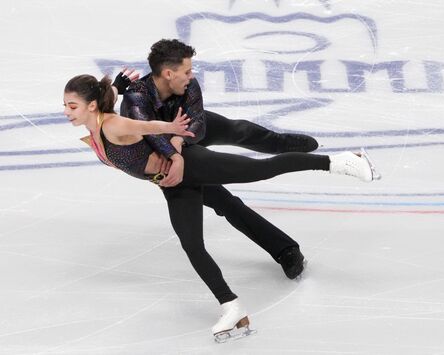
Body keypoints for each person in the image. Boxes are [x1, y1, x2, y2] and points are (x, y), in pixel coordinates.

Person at [64, 73, 379, 341]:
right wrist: (116, 87)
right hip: (172, 182)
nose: (66, 111)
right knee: (196, 239)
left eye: (72, 105)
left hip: (188, 165)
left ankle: (338, 162)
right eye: (66, 105)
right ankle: (232, 306)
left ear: (91, 105)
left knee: (260, 170)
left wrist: (171, 130)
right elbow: (108, 100)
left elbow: (146, 127)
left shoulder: (112, 126)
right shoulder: (98, 122)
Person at [119, 39, 319, 284]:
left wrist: (180, 140)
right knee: (226, 203)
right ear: (169, 74)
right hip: (168, 157)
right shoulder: (136, 99)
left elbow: (199, 125)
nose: (191, 75)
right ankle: (286, 250)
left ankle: (281, 143)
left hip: (186, 133)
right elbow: (151, 137)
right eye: (187, 70)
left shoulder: (188, 85)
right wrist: (174, 152)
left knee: (236, 130)